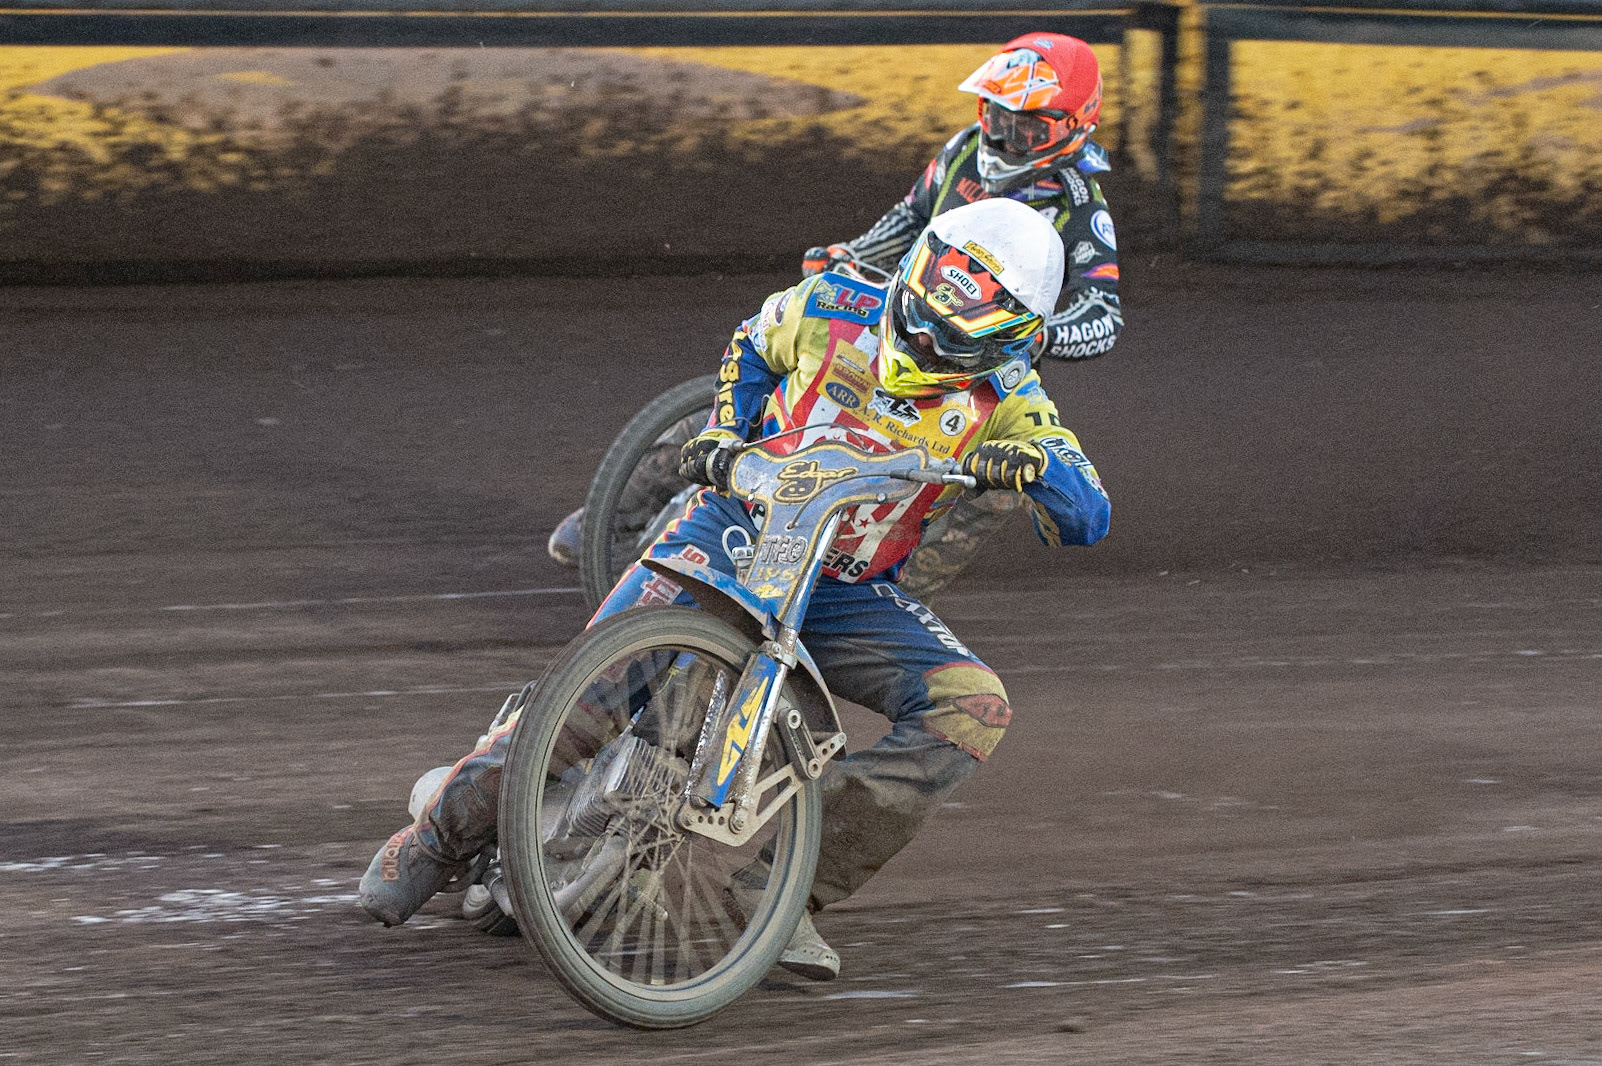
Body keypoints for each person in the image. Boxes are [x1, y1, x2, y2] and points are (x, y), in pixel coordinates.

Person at [359, 198, 1111, 982]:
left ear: (1007, 339)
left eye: (947, 337)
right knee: (587, 700)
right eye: (921, 309)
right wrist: (724, 429)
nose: (919, 336)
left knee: (972, 706)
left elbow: (1090, 513)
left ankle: (786, 902)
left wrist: (1035, 469)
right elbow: (752, 344)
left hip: (841, 588)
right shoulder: (835, 303)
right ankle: (434, 839)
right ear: (920, 267)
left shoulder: (1013, 398)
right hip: (732, 530)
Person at [545, 32, 1121, 587]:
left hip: (978, 379)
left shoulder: (1079, 208)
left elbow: (1103, 316)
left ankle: (876, 605)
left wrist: (1040, 338)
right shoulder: (964, 151)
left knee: (980, 501)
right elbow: (910, 217)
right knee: (774, 379)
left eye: (1025, 127)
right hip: (901, 324)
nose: (1002, 138)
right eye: (996, 116)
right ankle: (614, 513)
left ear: (1074, 125)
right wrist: (854, 253)